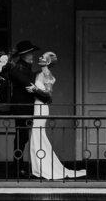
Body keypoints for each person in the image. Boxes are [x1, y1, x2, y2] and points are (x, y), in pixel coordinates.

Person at [28, 52, 87, 180]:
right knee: (36, 136)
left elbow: (48, 94)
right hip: (36, 106)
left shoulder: (47, 75)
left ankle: (43, 168)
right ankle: (39, 168)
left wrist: (35, 90)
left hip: (41, 108)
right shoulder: (39, 73)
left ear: (48, 62)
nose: (40, 58)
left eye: (43, 58)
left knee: (38, 135)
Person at [6, 40, 41, 175]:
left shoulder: (25, 67)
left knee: (23, 137)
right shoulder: (18, 69)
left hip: (27, 107)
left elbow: (31, 79)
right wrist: (46, 97)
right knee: (22, 137)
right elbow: (29, 85)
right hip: (22, 108)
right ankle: (18, 167)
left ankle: (19, 166)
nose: (33, 55)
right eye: (30, 53)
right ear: (23, 55)